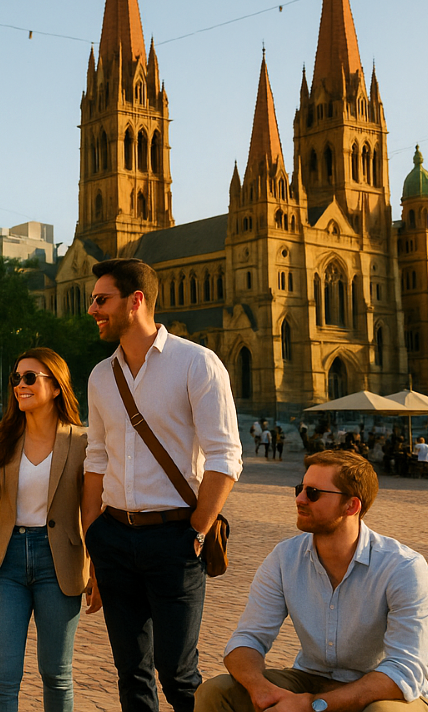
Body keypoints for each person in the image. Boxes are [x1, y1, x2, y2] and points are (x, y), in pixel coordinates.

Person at [82, 258, 243, 712]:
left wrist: (197, 530)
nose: (92, 309)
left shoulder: (197, 363)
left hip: (175, 538)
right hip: (113, 537)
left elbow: (225, 457)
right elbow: (96, 458)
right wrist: (94, 536)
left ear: (136, 301)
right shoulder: (100, 376)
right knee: (130, 673)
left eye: (101, 299)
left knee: (178, 674)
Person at [195, 451, 428, 712]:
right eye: (300, 489)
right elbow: (247, 640)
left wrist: (312, 705)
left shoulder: (403, 568)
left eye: (313, 493)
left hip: (381, 689)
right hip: (310, 679)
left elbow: (405, 669)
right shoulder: (284, 558)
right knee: (216, 692)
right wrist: (261, 690)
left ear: (352, 506)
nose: (299, 499)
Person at [0, 348, 99, 712]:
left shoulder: (81, 441)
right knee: (2, 680)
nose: (20, 385)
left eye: (30, 378)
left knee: (57, 676)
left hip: (58, 563)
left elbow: (92, 510)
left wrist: (97, 568)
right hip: (4, 563)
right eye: (16, 378)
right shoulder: (0, 436)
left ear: (56, 387)